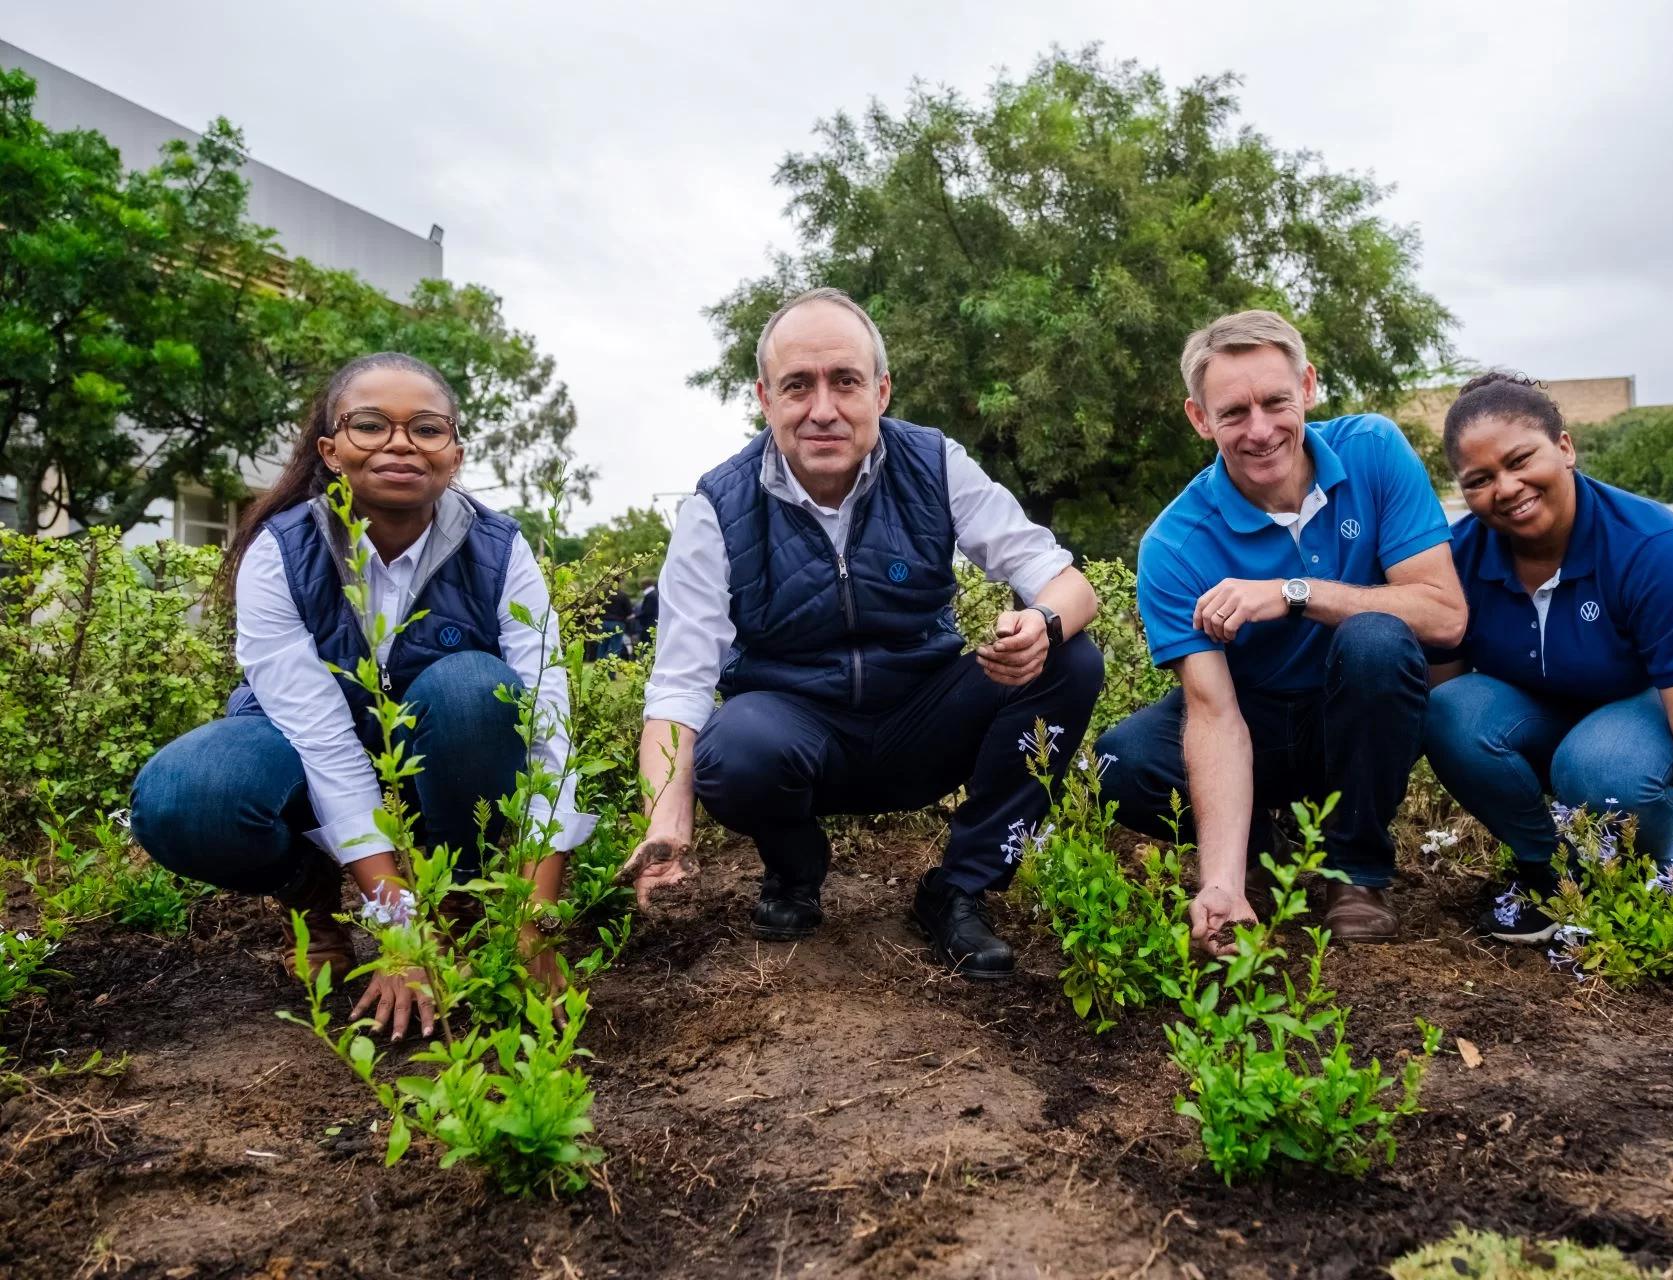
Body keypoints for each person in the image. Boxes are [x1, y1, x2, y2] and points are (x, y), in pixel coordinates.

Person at [620, 288, 1103, 979]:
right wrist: (665, 823)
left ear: (880, 390)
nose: (823, 409)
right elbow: (679, 684)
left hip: (922, 724)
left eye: (845, 381)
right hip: (798, 736)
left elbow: (1065, 581)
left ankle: (960, 887)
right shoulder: (716, 508)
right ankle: (794, 870)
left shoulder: (935, 463)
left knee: (1071, 660)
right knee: (734, 749)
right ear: (765, 397)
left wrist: (1040, 621)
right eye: (798, 386)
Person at [131, 352, 595, 1038]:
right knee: (187, 795)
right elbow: (325, 744)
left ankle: (454, 897)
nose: (401, 443)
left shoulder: (500, 550)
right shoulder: (280, 551)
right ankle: (313, 892)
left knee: (477, 690)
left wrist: (535, 930)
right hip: (305, 747)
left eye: (427, 428)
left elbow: (546, 728)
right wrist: (397, 931)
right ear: (331, 448)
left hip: (440, 750)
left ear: (455, 453)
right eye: (371, 424)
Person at [1422, 372, 1673, 993]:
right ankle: (1551, 871)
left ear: (1565, 446)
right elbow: (1449, 699)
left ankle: (1659, 880)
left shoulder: (1655, 550)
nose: (1505, 489)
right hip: (1559, 715)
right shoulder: (1461, 559)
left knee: (1600, 765)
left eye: (1520, 460)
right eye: (1478, 480)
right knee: (1447, 712)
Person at [1095, 311, 1467, 953]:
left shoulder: (1374, 451)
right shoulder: (1174, 544)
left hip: (1351, 707)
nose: (1260, 430)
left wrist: (1296, 593)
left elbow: (1445, 615)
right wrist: (1219, 881)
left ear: (1309, 387)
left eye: (1275, 402)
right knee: (1122, 761)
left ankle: (1354, 873)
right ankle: (1253, 857)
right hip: (1253, 717)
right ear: (1199, 419)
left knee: (1376, 641)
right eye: (1233, 412)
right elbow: (1213, 716)